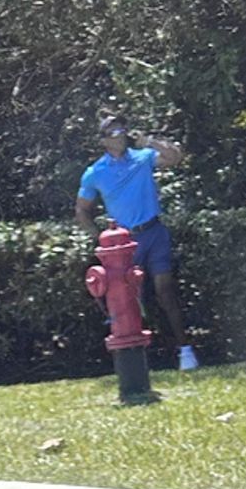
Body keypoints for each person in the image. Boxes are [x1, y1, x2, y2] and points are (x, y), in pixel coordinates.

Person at [74, 114, 199, 371]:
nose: (119, 135)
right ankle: (139, 360)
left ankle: (185, 351)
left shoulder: (142, 158)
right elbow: (82, 210)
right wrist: (101, 239)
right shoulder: (95, 173)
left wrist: (150, 141)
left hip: (154, 232)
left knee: (165, 290)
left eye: (121, 129)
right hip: (124, 244)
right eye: (112, 131)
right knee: (130, 300)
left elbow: (175, 157)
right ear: (103, 141)